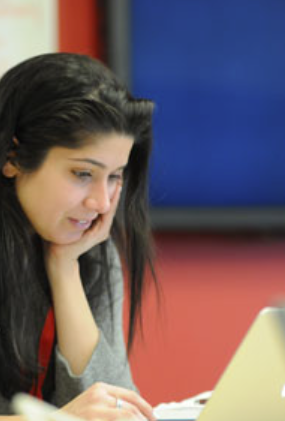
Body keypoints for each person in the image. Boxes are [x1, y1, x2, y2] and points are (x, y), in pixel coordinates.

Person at [0, 52, 157, 421]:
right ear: (12, 157)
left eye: (115, 176)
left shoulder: (90, 248)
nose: (101, 202)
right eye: (83, 173)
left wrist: (64, 267)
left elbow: (112, 405)